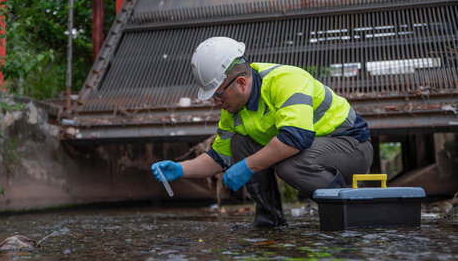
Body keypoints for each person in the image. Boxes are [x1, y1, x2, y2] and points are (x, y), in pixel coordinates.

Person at [151, 37, 373, 228]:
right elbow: (220, 157)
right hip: (314, 150)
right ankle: (270, 221)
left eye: (218, 95)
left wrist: (248, 166)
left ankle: (348, 212)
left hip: (352, 147)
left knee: (290, 164)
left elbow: (297, 137)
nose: (216, 103)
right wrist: (180, 169)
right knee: (239, 143)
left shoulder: (286, 80)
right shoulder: (234, 109)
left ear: (240, 83)